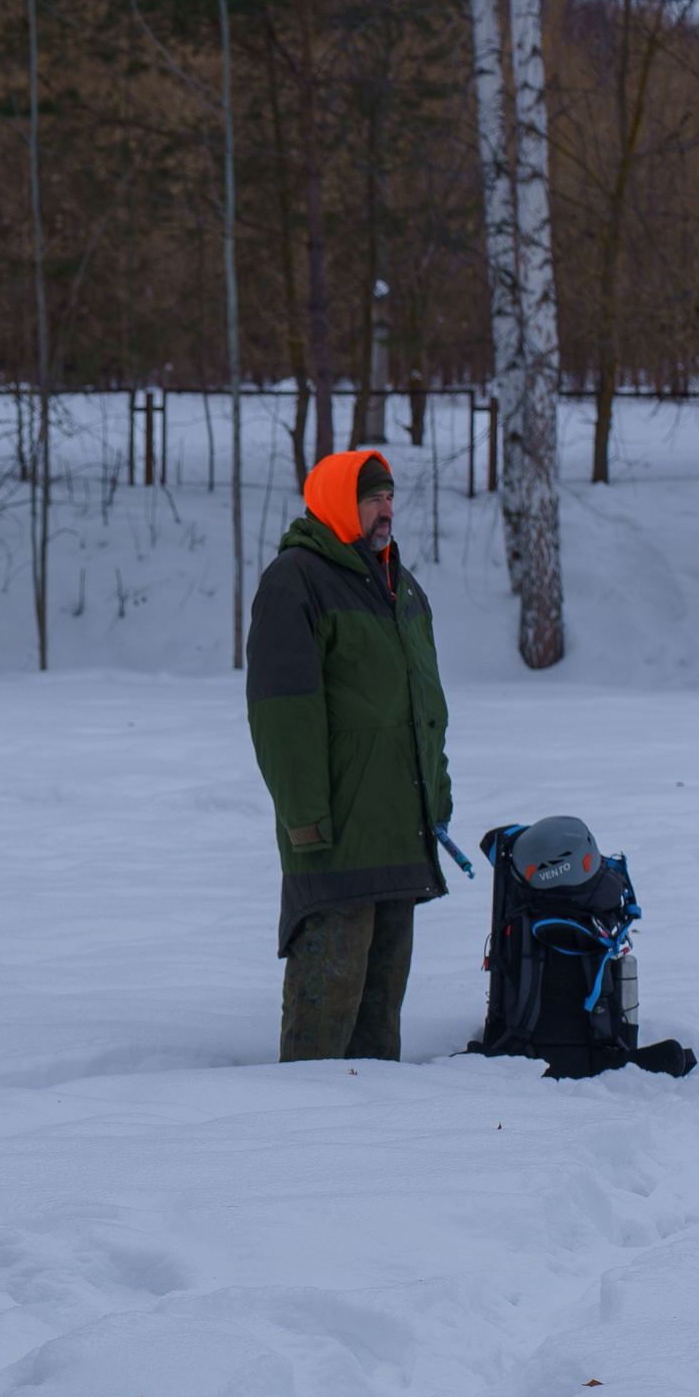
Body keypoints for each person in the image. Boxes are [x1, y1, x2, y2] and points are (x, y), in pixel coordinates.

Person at [244, 449, 454, 1063]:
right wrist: (305, 816)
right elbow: (283, 714)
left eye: (390, 497)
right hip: (335, 835)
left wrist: (435, 800)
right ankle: (302, 1137)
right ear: (339, 501)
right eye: (372, 498)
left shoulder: (400, 584)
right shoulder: (296, 580)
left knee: (380, 1017)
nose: (386, 510)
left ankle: (373, 1142)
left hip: (398, 830)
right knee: (325, 1018)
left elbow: (426, 706)